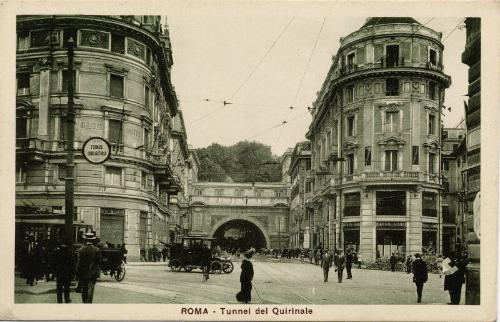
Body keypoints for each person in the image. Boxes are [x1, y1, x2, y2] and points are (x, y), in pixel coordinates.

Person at [76, 232, 101, 303]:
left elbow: (79, 263)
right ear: (93, 240)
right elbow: (99, 262)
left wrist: (77, 273)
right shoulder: (97, 250)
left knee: (84, 287)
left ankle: (84, 302)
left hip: (83, 272)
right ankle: (89, 302)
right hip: (93, 272)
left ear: (85, 240)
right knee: (91, 287)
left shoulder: (81, 250)